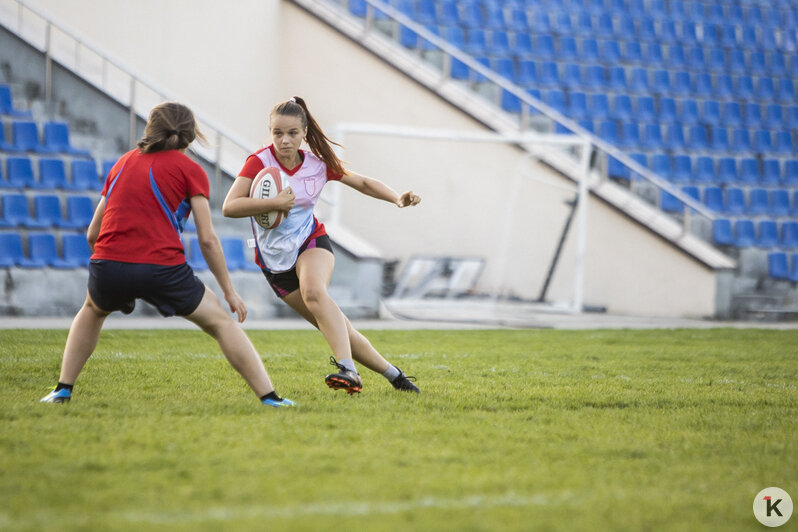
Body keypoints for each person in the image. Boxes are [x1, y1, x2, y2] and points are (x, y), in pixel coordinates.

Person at [40, 101, 294, 408]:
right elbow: (208, 239)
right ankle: (270, 398)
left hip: (107, 264)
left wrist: (116, 270)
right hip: (162, 268)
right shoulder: (191, 170)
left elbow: (93, 233)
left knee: (92, 310)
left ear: (151, 130)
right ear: (189, 136)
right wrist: (229, 292)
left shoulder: (122, 163)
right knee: (222, 323)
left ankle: (62, 390)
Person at [223, 96, 421, 395]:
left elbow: (362, 182)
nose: (284, 140)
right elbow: (230, 206)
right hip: (274, 263)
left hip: (310, 241)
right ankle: (396, 377)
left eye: (292, 133)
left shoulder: (317, 164)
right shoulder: (259, 162)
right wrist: (275, 202)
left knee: (314, 292)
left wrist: (396, 198)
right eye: (278, 133)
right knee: (336, 325)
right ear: (270, 131)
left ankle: (348, 371)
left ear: (304, 133)